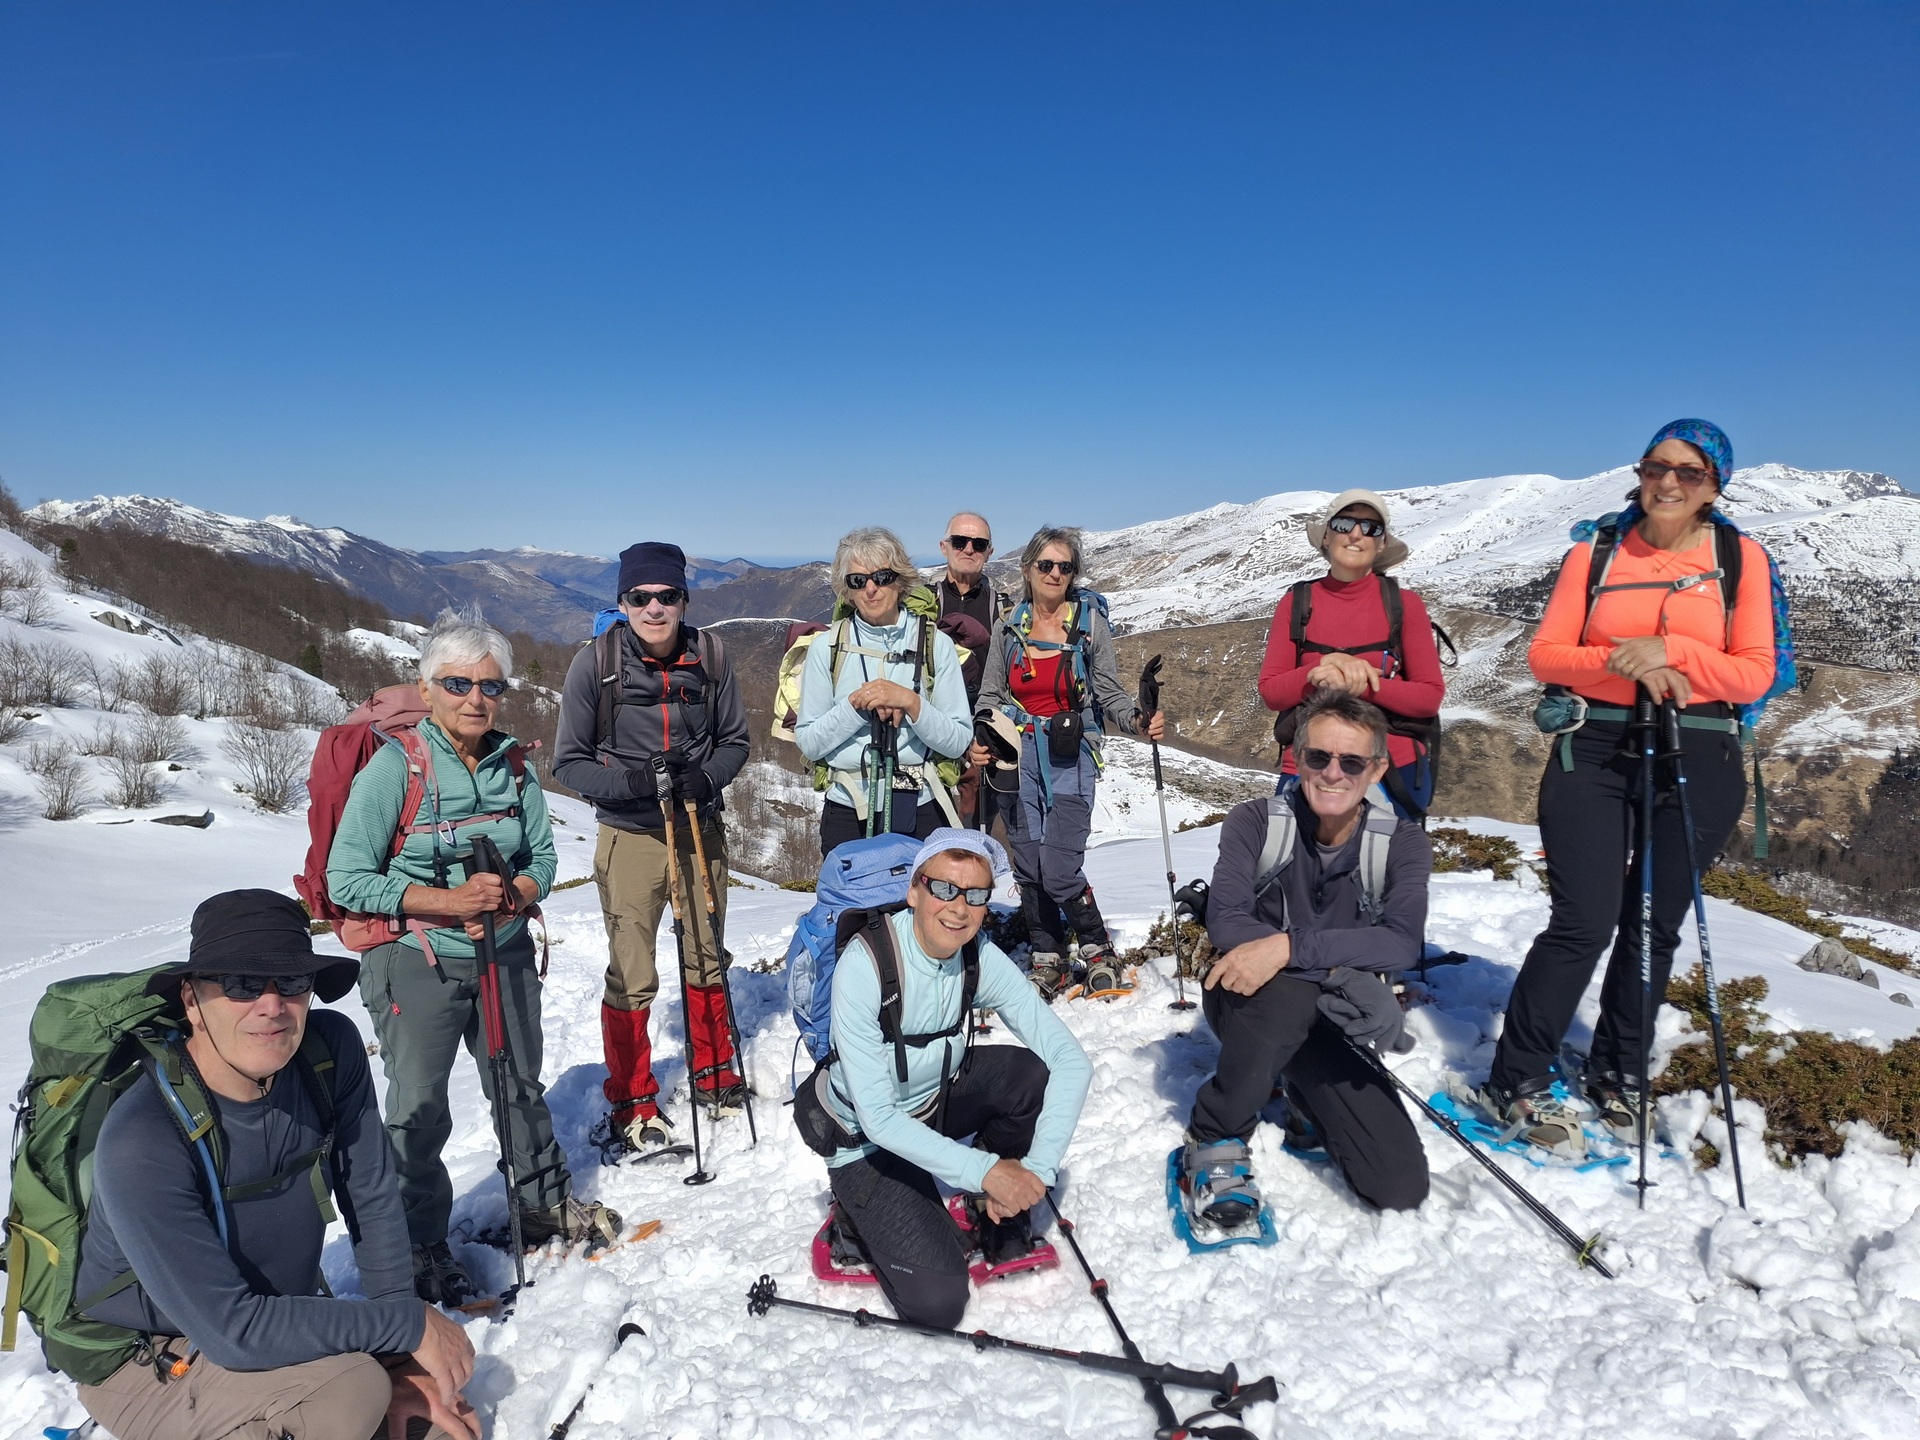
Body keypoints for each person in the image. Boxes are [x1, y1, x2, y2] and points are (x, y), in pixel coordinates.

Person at [73, 889, 480, 1440]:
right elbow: (233, 1330)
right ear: (192, 1000)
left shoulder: (327, 1053)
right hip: (145, 1352)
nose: (272, 1005)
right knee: (350, 1395)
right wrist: (407, 1326)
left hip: (262, 1318)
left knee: (433, 1421)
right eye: (242, 984)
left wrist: (401, 1360)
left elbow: (371, 1197)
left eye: (291, 982)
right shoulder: (143, 1135)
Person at [1480, 419, 1776, 1157]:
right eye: (1655, 467)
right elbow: (1547, 655)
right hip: (1595, 746)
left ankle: (1618, 1070)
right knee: (1583, 921)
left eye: (1689, 472)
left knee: (1653, 925)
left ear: (1714, 486)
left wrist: (1671, 650)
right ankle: (1516, 1077)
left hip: (1698, 747)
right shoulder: (1596, 551)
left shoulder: (1740, 559)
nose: (1668, 482)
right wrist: (1625, 660)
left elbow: (1755, 673)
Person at [328, 607, 619, 1307]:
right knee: (420, 1105)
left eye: (491, 686)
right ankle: (418, 1243)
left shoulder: (514, 766)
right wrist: (446, 900)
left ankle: (542, 1202)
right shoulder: (396, 768)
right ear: (427, 689)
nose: (475, 699)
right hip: (416, 959)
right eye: (457, 684)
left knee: (518, 1083)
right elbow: (347, 880)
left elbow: (543, 856)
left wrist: (518, 891)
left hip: (504, 950)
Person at [791, 830, 1092, 1329]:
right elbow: (879, 1118)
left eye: (976, 895)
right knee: (938, 1303)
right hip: (863, 1136)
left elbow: (1070, 1060)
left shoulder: (977, 956)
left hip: (932, 1101)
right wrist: (987, 1169)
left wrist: (1036, 1170)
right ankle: (852, 1216)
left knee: (1028, 1076)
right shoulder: (866, 964)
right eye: (944, 888)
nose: (959, 908)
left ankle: (991, 1208)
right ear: (914, 891)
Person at [1182, 692, 1432, 1226]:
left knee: (1397, 1182)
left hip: (1331, 1019)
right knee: (1288, 992)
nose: (1333, 773)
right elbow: (1227, 922)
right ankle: (1215, 1133)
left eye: (1352, 762)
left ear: (1377, 770)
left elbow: (1401, 942)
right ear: (1298, 758)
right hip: (1246, 1001)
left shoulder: (1402, 844)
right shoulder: (1255, 821)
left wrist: (1293, 950)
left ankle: (1298, 1084)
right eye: (1319, 757)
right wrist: (1336, 968)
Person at [551, 541, 752, 1156]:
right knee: (633, 970)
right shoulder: (594, 664)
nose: (654, 608)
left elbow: (735, 742)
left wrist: (706, 778)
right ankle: (632, 1096)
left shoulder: (712, 656)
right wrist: (635, 783)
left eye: (667, 596)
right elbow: (568, 763)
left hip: (697, 827)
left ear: (684, 600)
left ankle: (714, 1071)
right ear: (623, 602)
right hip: (629, 836)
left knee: (705, 954)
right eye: (640, 598)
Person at [969, 527, 1164, 1000]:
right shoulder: (1009, 627)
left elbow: (1108, 691)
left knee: (1058, 865)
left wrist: (1136, 720)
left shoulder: (1089, 624)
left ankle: (1098, 949)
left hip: (1071, 756)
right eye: (1046, 565)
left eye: (1065, 566)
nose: (1055, 574)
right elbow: (990, 696)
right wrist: (981, 739)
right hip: (1015, 758)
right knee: (1029, 864)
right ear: (1028, 569)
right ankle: (1048, 957)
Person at [1257, 489, 1445, 819]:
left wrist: (1359, 684)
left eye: (1371, 528)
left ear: (1381, 543)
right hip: (1308, 766)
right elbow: (1272, 691)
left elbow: (1429, 697)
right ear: (1326, 536)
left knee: (1388, 855)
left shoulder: (1405, 605)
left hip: (1391, 768)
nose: (1356, 534)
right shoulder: (1296, 602)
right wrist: (1319, 670)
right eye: (1344, 524)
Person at [795, 527, 973, 855]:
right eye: (857, 580)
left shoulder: (935, 645)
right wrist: (858, 704)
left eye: (882, 576)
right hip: (847, 806)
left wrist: (910, 702)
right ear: (847, 591)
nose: (871, 588)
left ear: (900, 580)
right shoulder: (827, 648)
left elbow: (958, 740)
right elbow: (809, 743)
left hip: (921, 803)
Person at [933, 512, 1013, 831]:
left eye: (978, 544)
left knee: (974, 834)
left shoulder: (1004, 610)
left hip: (982, 740)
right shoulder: (922, 604)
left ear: (989, 552)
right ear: (944, 547)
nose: (968, 549)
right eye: (959, 541)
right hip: (930, 734)